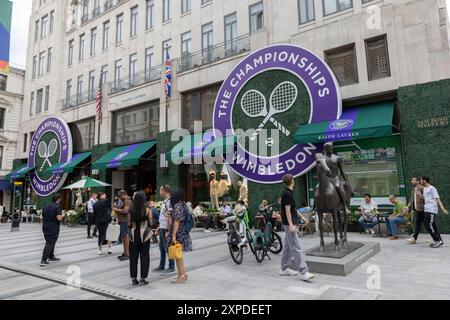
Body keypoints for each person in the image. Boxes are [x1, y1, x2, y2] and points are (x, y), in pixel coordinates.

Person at [279, 174, 314, 281]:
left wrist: (302, 217)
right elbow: (287, 210)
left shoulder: (288, 193)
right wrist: (290, 225)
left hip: (290, 223)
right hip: (289, 224)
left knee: (288, 247)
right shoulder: (287, 194)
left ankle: (284, 269)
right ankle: (304, 272)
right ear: (292, 181)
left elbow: (293, 209)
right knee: (296, 247)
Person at [166, 188, 192, 284]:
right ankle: (182, 274)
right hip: (183, 232)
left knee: (177, 255)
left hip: (178, 232)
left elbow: (177, 221)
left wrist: (173, 235)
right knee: (179, 255)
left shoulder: (177, 206)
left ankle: (181, 276)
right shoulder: (183, 204)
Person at [129, 191, 152, 285]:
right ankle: (143, 278)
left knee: (133, 256)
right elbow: (150, 222)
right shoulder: (147, 210)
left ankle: (134, 278)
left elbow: (129, 223)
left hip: (133, 235)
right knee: (145, 256)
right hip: (145, 235)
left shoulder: (131, 209)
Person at [152, 185, 176, 274]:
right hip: (162, 227)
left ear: (165, 191)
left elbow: (170, 217)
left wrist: (168, 231)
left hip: (166, 228)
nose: (159, 191)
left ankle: (171, 266)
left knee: (168, 248)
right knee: (162, 248)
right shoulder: (165, 201)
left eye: (160, 190)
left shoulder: (169, 202)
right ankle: (162, 266)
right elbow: (164, 216)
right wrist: (159, 227)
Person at [420, 176, 448, 248]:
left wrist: (442, 208)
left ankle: (437, 240)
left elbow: (437, 199)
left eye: (421, 180)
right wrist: (420, 194)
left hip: (431, 210)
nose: (420, 181)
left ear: (424, 180)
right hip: (426, 209)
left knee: (428, 224)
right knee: (433, 226)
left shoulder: (432, 188)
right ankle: (439, 241)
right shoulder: (425, 189)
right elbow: (426, 199)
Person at [40, 194, 65, 267]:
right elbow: (59, 218)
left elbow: (42, 216)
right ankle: (43, 260)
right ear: (58, 199)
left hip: (45, 226)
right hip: (53, 227)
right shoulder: (57, 207)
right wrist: (63, 215)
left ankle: (51, 256)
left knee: (50, 241)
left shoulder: (46, 206)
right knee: (49, 243)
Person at [114, 190, 132, 261]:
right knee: (124, 237)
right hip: (123, 222)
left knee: (125, 237)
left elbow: (125, 211)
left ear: (123, 195)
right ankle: (125, 252)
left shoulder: (127, 201)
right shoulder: (125, 200)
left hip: (125, 222)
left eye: (119, 196)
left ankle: (127, 253)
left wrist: (116, 209)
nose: (119, 198)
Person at [405, 177, 425, 244]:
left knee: (421, 224)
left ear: (418, 181)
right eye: (412, 180)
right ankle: (414, 238)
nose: (412, 181)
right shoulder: (413, 189)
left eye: (413, 180)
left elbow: (426, 198)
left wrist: (419, 194)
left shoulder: (422, 188)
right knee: (420, 223)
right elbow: (411, 200)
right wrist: (407, 207)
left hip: (422, 209)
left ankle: (414, 238)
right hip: (417, 209)